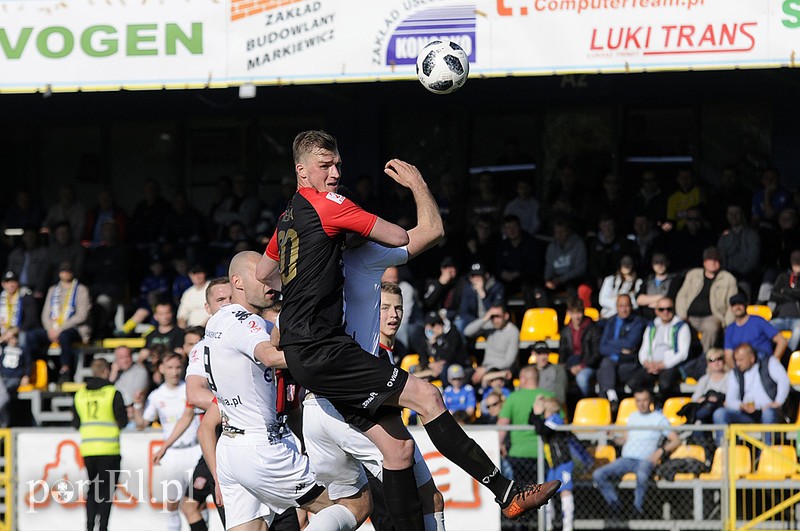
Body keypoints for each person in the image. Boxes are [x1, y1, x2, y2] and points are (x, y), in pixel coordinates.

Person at [257, 131, 559, 528]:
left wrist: (295, 291)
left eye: (337, 165)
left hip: (316, 377)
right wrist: (417, 184)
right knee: (428, 401)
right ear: (302, 170)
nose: (334, 173)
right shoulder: (343, 227)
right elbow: (413, 234)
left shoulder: (288, 219)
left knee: (391, 460)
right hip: (328, 360)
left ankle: (507, 494)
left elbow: (264, 276)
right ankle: (506, 492)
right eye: (325, 166)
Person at [208, 251, 360, 530]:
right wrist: (333, 354)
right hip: (260, 447)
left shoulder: (218, 320)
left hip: (230, 447)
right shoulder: (247, 322)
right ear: (237, 282)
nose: (271, 283)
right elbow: (270, 356)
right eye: (261, 277)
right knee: (351, 506)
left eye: (272, 275)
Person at [133, 352, 202, 531]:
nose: (174, 372)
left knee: (197, 503)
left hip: (195, 450)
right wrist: (138, 405)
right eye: (170, 368)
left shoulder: (190, 389)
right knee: (172, 503)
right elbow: (142, 423)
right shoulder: (157, 395)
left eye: (178, 367)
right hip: (172, 454)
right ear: (162, 369)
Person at [592, 388, 681, 517]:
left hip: (646, 460)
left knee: (642, 475)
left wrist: (660, 451)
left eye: (644, 400)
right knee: (598, 474)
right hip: (626, 459)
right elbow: (624, 440)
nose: (642, 404)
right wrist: (613, 437)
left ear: (650, 400)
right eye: (638, 401)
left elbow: (676, 440)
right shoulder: (632, 417)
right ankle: (616, 508)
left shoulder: (659, 418)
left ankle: (637, 511)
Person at [72, 358, 127, 531]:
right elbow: (123, 421)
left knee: (92, 490)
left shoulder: (80, 394)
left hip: (88, 450)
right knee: (106, 492)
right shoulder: (112, 392)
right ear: (106, 371)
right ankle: (102, 527)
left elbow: (75, 423)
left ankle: (89, 527)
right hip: (109, 449)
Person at [712, 342, 790, 445]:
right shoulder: (735, 373)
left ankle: (766, 454)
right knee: (720, 413)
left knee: (769, 413)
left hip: (769, 411)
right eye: (736, 360)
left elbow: (784, 381)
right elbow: (730, 400)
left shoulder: (769, 362)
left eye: (741, 360)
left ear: (752, 358)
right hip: (747, 414)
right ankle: (723, 453)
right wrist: (741, 406)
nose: (738, 363)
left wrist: (778, 402)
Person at [496, 365, 555, 488]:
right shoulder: (549, 396)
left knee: (521, 494)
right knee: (542, 493)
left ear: (523, 379)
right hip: (544, 453)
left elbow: (502, 423)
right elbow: (558, 421)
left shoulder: (513, 398)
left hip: (518, 453)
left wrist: (499, 444)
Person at [675, 246, 737, 353]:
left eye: (716, 260)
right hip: (689, 317)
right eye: (710, 259)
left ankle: (706, 358)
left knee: (711, 328)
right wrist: (682, 315)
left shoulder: (728, 279)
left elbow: (732, 304)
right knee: (676, 326)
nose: (713, 262)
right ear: (704, 262)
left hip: (712, 317)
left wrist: (728, 324)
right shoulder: (693, 275)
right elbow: (682, 296)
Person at [528, 396, 576, 531]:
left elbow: (542, 430)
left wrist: (537, 415)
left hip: (563, 462)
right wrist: (534, 409)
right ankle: (548, 524)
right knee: (546, 493)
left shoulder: (556, 419)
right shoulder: (546, 420)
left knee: (565, 491)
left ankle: (568, 525)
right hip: (553, 465)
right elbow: (533, 421)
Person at [633, 297, 691, 406]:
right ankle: (647, 404)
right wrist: (646, 363)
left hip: (671, 366)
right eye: (661, 309)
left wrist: (663, 364)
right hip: (651, 365)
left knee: (665, 384)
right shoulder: (652, 326)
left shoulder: (682, 326)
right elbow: (644, 348)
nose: (665, 312)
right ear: (656, 311)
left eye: (669, 309)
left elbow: (683, 353)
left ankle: (659, 406)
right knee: (634, 382)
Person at [41, 262, 92, 383]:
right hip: (53, 329)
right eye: (63, 271)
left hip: (75, 329)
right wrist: (50, 330)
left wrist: (61, 328)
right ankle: (42, 370)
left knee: (65, 336)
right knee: (32, 336)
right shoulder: (53, 290)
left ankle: (65, 369)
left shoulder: (81, 289)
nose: (65, 273)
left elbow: (82, 315)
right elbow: (45, 314)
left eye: (68, 271)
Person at [596, 294, 646, 410]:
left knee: (602, 371)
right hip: (613, 361)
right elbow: (602, 347)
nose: (624, 309)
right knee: (605, 367)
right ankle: (611, 401)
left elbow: (630, 344)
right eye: (621, 306)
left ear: (631, 307)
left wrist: (611, 343)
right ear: (617, 307)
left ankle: (607, 406)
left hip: (628, 363)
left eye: (627, 306)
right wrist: (620, 349)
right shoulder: (611, 321)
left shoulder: (637, 322)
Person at [463, 304, 520, 387]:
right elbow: (467, 332)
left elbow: (508, 361)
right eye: (492, 317)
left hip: (502, 370)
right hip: (484, 367)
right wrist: (485, 318)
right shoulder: (490, 326)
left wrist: (486, 369)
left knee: (488, 379)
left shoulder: (513, 332)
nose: (495, 320)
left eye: (498, 316)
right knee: (462, 376)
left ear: (506, 316)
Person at [724, 292, 787, 365]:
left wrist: (773, 362)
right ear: (731, 308)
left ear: (746, 305)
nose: (737, 307)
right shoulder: (730, 329)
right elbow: (728, 355)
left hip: (763, 362)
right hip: (743, 367)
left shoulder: (758, 321)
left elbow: (782, 341)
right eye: (734, 304)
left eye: (740, 304)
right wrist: (737, 373)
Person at [559, 298, 601, 397]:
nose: (577, 317)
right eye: (573, 313)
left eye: (579, 313)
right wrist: (568, 367)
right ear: (568, 313)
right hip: (570, 365)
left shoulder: (593, 329)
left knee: (582, 378)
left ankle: (586, 403)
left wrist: (581, 366)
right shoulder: (565, 331)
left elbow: (596, 354)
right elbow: (563, 352)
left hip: (588, 365)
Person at [454, 262, 505, 336]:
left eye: (478, 276)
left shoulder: (496, 287)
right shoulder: (468, 289)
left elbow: (496, 311)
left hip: (492, 320)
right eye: (473, 277)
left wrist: (483, 295)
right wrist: (477, 322)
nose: (475, 279)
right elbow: (463, 312)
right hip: (475, 321)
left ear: (486, 276)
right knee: (458, 323)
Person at [769, 249, 800, 351]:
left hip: (797, 320)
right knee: (764, 328)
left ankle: (788, 355)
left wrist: (785, 291)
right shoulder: (783, 277)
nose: (797, 266)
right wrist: (792, 294)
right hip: (780, 317)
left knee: (798, 331)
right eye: (795, 263)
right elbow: (773, 294)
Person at [108, 345, 149, 421]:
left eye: (127, 357)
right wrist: (113, 375)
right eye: (121, 358)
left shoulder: (140, 371)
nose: (124, 361)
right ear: (115, 360)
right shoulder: (115, 373)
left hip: (133, 414)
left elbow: (138, 395)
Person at [635, 252, 679, 321]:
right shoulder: (647, 280)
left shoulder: (674, 281)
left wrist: (648, 302)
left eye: (662, 262)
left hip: (665, 319)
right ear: (652, 264)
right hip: (645, 318)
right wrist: (661, 297)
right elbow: (639, 300)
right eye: (656, 262)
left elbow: (669, 301)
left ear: (667, 263)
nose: (660, 265)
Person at [597, 255, 642, 319]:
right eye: (624, 263)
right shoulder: (610, 279)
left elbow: (635, 303)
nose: (626, 265)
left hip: (627, 318)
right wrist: (621, 304)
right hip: (607, 316)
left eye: (629, 263)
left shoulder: (638, 282)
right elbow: (602, 300)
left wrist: (616, 301)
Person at [530, 342, 568, 406]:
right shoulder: (529, 371)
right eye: (539, 354)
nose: (542, 357)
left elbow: (561, 397)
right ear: (533, 354)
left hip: (551, 407)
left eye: (545, 353)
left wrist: (545, 404)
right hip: (531, 404)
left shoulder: (558, 370)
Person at [176, 264, 211, 329]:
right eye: (194, 273)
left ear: (204, 273)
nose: (197, 276)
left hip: (208, 328)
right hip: (190, 330)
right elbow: (181, 316)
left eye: (199, 273)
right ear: (190, 275)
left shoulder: (212, 288)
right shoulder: (187, 293)